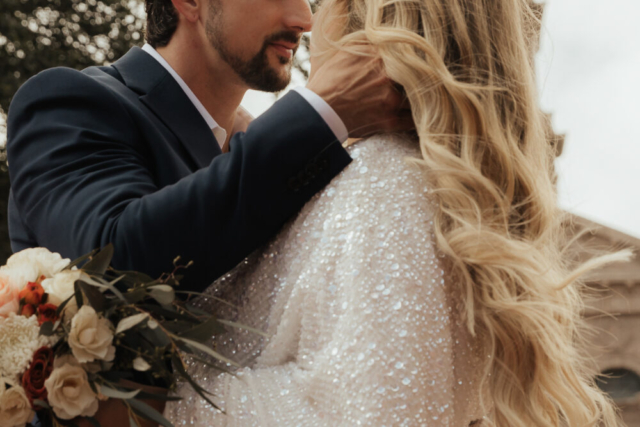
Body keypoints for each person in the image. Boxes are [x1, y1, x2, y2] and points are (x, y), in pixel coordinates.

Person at [163, 0, 631, 425]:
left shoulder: (384, 182)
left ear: (366, 18)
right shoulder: (404, 185)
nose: (310, 20)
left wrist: (144, 400)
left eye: (325, 0)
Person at [6, 0, 412, 293]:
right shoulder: (68, 100)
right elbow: (113, 264)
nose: (304, 18)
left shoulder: (252, 145)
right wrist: (320, 112)